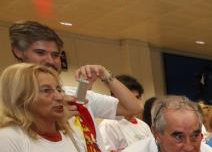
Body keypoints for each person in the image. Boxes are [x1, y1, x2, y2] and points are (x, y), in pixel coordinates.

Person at [9, 21, 142, 122]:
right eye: (40, 53)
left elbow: (133, 108)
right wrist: (59, 115)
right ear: (18, 52)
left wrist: (104, 74)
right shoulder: (12, 101)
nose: (50, 61)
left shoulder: (77, 95)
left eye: (55, 55)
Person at [96, 74, 152, 152]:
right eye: (129, 99)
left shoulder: (143, 125)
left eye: (137, 97)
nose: (133, 102)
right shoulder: (108, 125)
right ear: (114, 98)